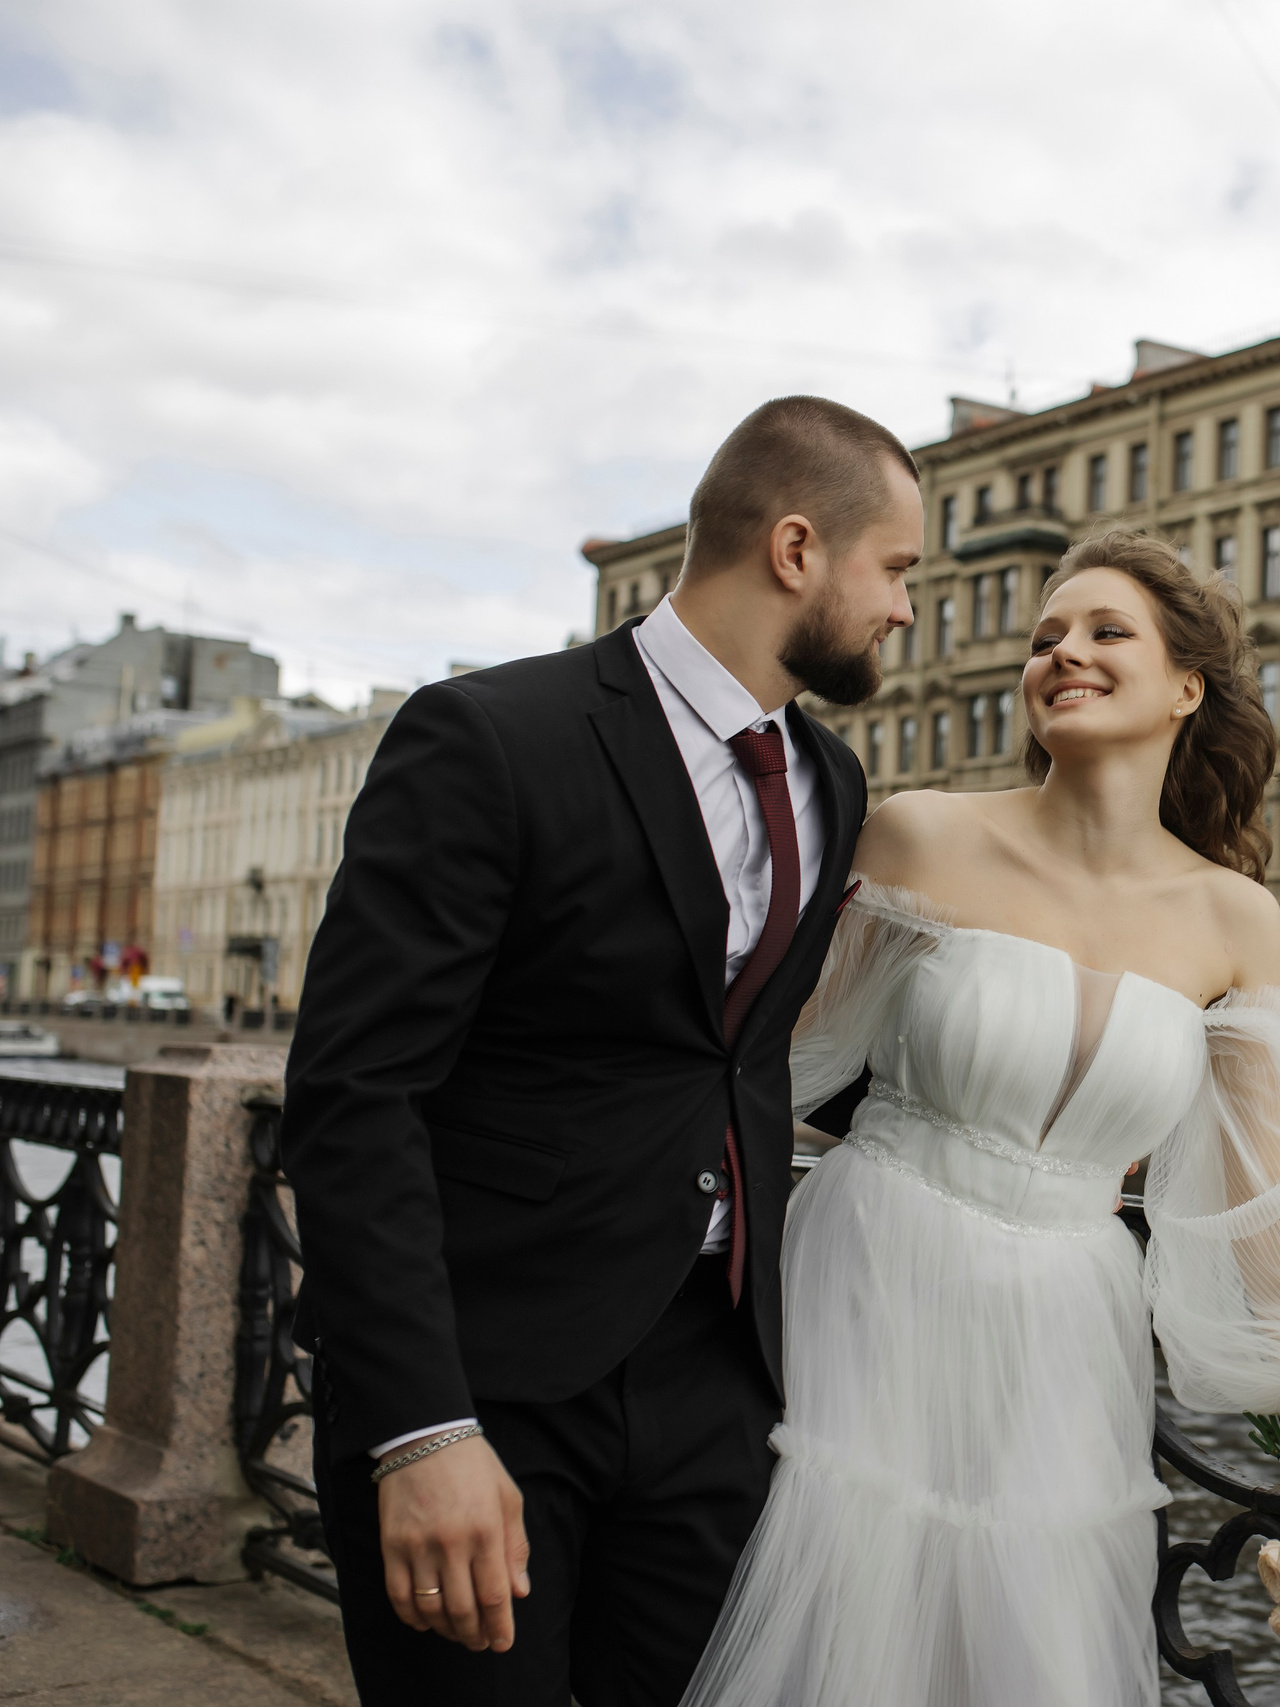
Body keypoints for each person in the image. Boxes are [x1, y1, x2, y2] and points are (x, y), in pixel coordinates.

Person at [281, 397, 919, 1705]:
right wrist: (421, 1425)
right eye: (898, 569)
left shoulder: (835, 781)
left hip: (717, 1383)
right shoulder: (488, 738)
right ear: (797, 548)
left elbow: (740, 1060)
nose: (905, 610)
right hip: (487, 1377)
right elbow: (355, 1097)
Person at [679, 531, 1280, 1705]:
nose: (1066, 654)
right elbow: (769, 1066)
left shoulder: (1235, 916)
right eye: (1046, 637)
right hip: (874, 1270)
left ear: (1187, 687)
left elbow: (1262, 1192)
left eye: (1107, 633)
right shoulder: (921, 834)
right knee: (851, 1618)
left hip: (1069, 1322)